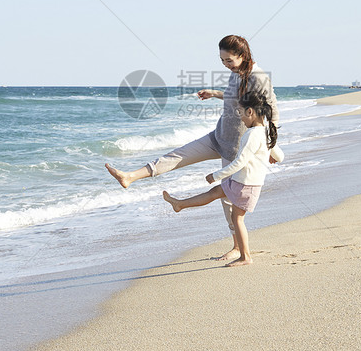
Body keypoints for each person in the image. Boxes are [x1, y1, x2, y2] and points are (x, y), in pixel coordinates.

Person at [105, 35, 282, 260]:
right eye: (222, 61)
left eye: (229, 60)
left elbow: (272, 110)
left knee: (229, 203)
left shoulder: (259, 77)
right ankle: (129, 176)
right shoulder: (236, 73)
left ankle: (238, 248)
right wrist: (215, 93)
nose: (226, 65)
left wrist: (269, 147)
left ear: (243, 55)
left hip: (238, 147)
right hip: (219, 136)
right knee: (178, 155)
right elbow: (236, 97)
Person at [162, 92, 283, 267]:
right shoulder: (265, 132)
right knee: (214, 193)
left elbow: (240, 162)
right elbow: (280, 156)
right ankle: (179, 204)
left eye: (241, 113)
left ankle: (245, 257)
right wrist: (270, 154)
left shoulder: (252, 135)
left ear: (250, 112)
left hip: (245, 184)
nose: (240, 118)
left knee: (237, 219)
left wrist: (216, 175)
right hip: (242, 182)